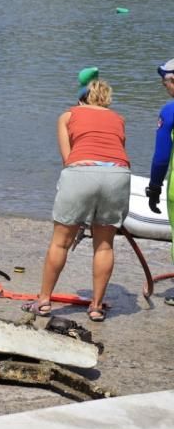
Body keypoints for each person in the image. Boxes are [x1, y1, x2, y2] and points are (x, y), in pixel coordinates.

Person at [23, 80, 131, 322]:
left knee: (60, 242)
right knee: (104, 245)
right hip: (118, 174)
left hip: (81, 171)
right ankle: (95, 307)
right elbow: (116, 151)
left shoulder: (68, 115)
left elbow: (68, 158)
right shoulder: (118, 118)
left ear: (81, 100)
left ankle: (43, 301)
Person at [146, 59, 174, 304]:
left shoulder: (170, 111)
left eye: (164, 81)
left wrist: (154, 187)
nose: (164, 87)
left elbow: (162, 157)